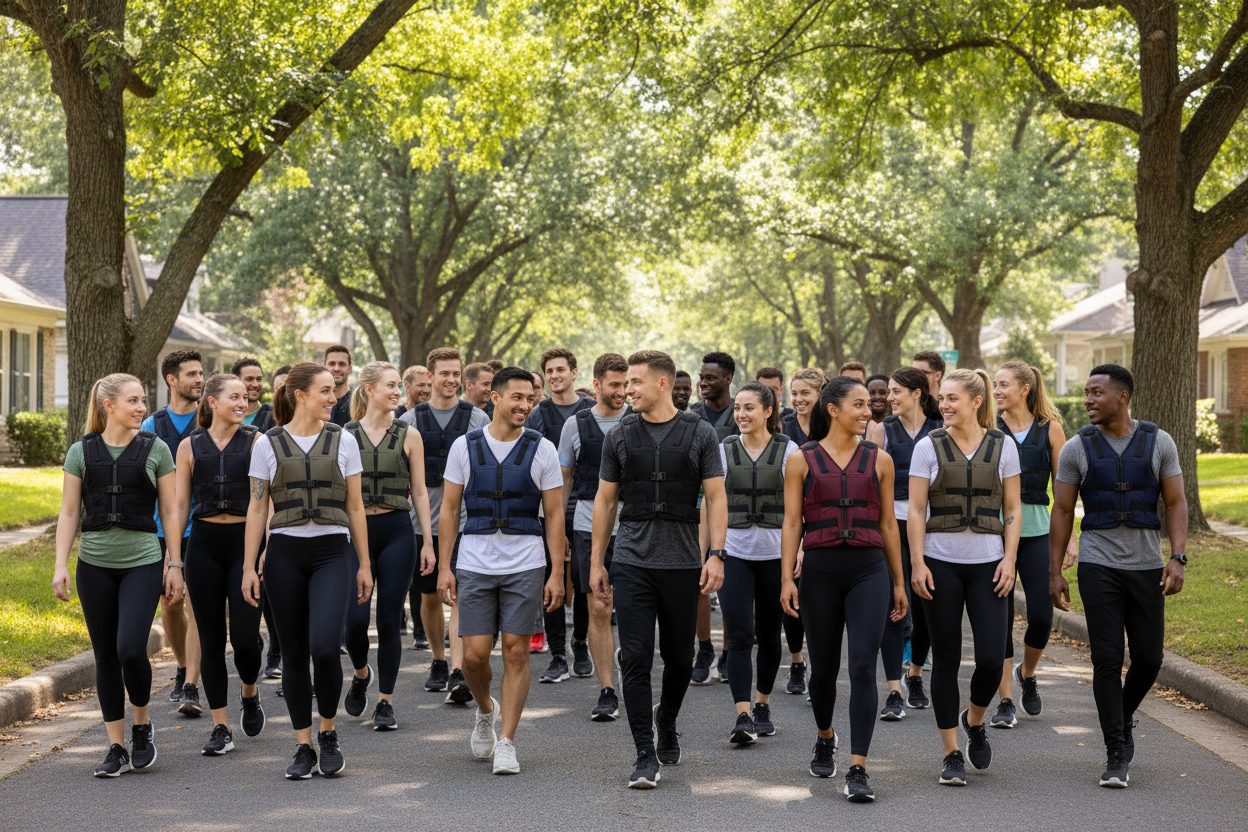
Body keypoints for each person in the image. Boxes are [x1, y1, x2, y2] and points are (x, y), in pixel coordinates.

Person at [591, 350, 726, 789]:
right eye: (625, 383)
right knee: (635, 657)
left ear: (662, 383)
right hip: (632, 560)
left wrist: (717, 554)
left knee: (680, 659)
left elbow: (716, 497)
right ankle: (644, 753)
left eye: (634, 382)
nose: (627, 390)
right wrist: (597, 561)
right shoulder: (619, 435)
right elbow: (605, 500)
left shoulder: (700, 432)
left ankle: (666, 719)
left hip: (683, 561)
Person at [1049, 364, 1186, 789]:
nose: (1088, 399)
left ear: (1122, 396)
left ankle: (1121, 719)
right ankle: (1115, 753)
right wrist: (1054, 570)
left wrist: (1178, 556)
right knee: (1106, 659)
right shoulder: (1077, 447)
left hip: (1146, 566)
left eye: (1097, 392)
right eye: (1086, 392)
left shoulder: (1159, 442)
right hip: (1099, 566)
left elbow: (1176, 502)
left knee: (1149, 659)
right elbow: (1062, 510)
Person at [243, 362, 374, 779]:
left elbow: (356, 506)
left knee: (324, 648)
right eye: (325, 391)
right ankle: (303, 745)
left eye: (334, 390)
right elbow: (257, 508)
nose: (333, 398)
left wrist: (364, 564)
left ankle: (329, 731)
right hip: (284, 553)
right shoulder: (267, 444)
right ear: (300, 395)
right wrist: (249, 566)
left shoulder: (343, 440)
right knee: (295, 653)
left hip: (332, 552)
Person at [780, 376, 907, 802]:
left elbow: (888, 525)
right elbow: (792, 524)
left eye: (868, 404)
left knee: (863, 668)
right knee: (822, 672)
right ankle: (824, 735)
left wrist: (899, 581)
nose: (868, 411)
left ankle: (858, 767)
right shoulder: (800, 459)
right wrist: (786, 578)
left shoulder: (880, 460)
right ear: (833, 409)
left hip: (868, 571)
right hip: (819, 572)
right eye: (859, 404)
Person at [438, 367, 567, 775]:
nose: (525, 405)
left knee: (515, 650)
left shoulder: (542, 448)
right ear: (495, 398)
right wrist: (444, 567)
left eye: (530, 399)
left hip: (525, 562)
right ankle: (484, 710)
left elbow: (555, 513)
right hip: (474, 562)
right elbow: (449, 509)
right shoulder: (465, 446)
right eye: (517, 397)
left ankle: (507, 741)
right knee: (474, 656)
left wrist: (557, 572)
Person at [53, 374, 182, 777]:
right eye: (133, 400)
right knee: (105, 655)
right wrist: (60, 564)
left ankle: (141, 724)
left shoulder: (156, 448)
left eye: (143, 400)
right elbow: (69, 512)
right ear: (108, 405)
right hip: (94, 564)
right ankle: (115, 746)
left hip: (142, 562)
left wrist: (175, 563)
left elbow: (170, 510)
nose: (142, 407)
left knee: (130, 649)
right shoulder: (81, 451)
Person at [908, 369, 1020, 787]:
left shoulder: (1003, 445)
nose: (945, 405)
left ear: (976, 401)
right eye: (942, 398)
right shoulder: (928, 446)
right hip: (940, 564)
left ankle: (974, 719)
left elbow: (1013, 509)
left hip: (990, 564)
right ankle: (951, 752)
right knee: (947, 658)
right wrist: (917, 563)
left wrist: (1010, 559)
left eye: (953, 398)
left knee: (991, 658)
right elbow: (916, 509)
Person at [171, 374, 265, 756]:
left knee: (244, 640)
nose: (243, 403)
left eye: (245, 397)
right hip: (204, 547)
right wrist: (174, 559)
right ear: (212, 402)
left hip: (245, 545)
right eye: (234, 397)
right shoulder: (189, 446)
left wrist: (262, 553)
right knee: (211, 640)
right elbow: (179, 505)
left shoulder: (257, 441)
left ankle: (250, 691)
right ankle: (221, 726)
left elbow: (265, 500)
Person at [342, 362, 436, 731]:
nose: (398, 392)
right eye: (391, 385)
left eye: (399, 385)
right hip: (356, 534)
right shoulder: (344, 435)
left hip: (397, 531)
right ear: (369, 390)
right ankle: (361, 673)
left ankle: (385, 702)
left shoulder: (410, 435)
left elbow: (420, 492)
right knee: (354, 622)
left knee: (388, 619)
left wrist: (427, 541)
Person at [400, 348, 491, 703]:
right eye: (444, 374)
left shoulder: (477, 418)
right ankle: (438, 659)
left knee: (461, 594)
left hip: (466, 520)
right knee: (429, 595)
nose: (451, 380)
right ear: (430, 377)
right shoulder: (409, 419)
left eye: (456, 373)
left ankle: (457, 669)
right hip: (421, 523)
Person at [990, 360, 1075, 727]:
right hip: (994, 535)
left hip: (1039, 532)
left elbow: (1065, 491)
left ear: (1024, 389)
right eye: (994, 385)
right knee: (1000, 619)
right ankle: (1005, 699)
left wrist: (1069, 538)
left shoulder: (1050, 429)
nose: (996, 391)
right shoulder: (988, 429)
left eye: (1003, 385)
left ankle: (1027, 673)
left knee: (1042, 616)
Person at [716, 382, 799, 746]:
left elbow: (801, 507)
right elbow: (711, 503)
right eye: (737, 408)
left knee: (768, 635)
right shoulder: (724, 450)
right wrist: (711, 553)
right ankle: (743, 714)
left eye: (749, 407)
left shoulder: (788, 450)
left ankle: (763, 704)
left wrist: (800, 551)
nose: (741, 414)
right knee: (739, 636)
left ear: (768, 411)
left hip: (776, 556)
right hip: (734, 553)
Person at [558, 353, 630, 721]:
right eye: (615, 385)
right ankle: (607, 690)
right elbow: (563, 482)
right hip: (587, 526)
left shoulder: (639, 421)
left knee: (631, 609)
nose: (622, 391)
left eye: (626, 384)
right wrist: (560, 532)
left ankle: (629, 665)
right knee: (599, 606)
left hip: (632, 526)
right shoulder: (575, 425)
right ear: (597, 384)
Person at [874, 367, 942, 718]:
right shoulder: (882, 430)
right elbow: (871, 481)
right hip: (893, 526)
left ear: (917, 393)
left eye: (896, 391)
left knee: (926, 605)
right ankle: (893, 691)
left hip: (934, 529)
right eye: (889, 391)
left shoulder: (941, 428)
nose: (890, 398)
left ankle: (915, 673)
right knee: (894, 606)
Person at [525, 349, 596, 679]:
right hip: (546, 508)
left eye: (560, 370)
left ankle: (580, 642)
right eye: (549, 371)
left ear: (574, 373)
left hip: (584, 504)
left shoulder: (591, 410)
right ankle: (557, 655)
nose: (554, 375)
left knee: (583, 581)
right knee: (550, 578)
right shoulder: (537, 415)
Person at [142, 349, 203, 715]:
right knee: (170, 601)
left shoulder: (208, 418)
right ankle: (182, 667)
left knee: (198, 603)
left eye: (200, 373)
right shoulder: (152, 425)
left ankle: (192, 683)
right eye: (191, 374)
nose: (199, 379)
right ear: (171, 379)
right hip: (162, 529)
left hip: (202, 526)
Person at [778, 366, 826, 693]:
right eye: (794, 393)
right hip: (789, 516)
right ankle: (797, 661)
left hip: (823, 517)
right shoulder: (783, 427)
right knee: (791, 597)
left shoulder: (831, 427)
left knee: (819, 603)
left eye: (805, 393)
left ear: (820, 394)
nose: (798, 399)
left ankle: (820, 671)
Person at [261, 365, 291, 678]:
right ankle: (276, 648)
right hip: (264, 518)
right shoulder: (265, 432)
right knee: (272, 591)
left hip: (298, 523)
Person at [691, 352, 739, 441]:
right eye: (701, 378)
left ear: (728, 379)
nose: (702, 383)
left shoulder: (741, 415)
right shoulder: (690, 414)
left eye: (710, 378)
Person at [233, 357, 274, 432]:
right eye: (249, 379)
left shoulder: (271, 417)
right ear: (236, 381)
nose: (255, 384)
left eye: (259, 379)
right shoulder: (226, 417)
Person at [324, 345, 354, 427]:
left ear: (350, 369)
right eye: (332, 364)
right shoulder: (315, 402)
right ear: (324, 367)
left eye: (342, 364)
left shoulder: (358, 404)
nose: (336, 369)